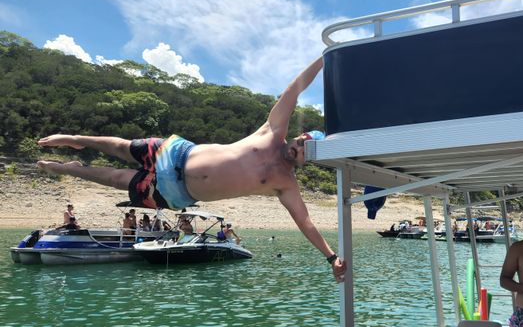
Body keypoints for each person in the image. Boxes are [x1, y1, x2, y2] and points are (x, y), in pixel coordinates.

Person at [36, 57, 345, 282]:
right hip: (177, 153)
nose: (300, 148)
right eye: (304, 141)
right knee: (121, 147)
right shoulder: (272, 132)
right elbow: (294, 90)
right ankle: (76, 140)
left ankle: (72, 169)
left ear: (308, 163)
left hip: (176, 192)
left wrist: (331, 257)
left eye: (307, 153)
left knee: (119, 179)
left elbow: (305, 222)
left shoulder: (285, 183)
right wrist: (325, 59)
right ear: (299, 136)